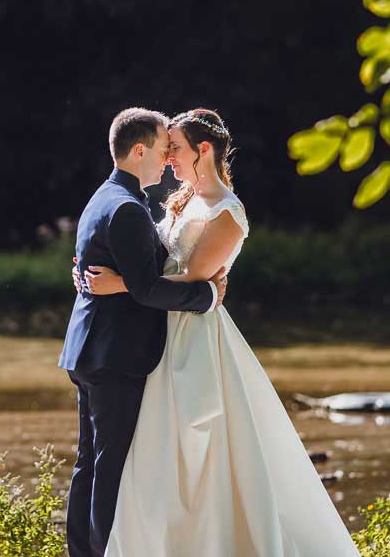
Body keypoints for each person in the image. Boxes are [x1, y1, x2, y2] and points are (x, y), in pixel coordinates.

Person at [78, 108, 360, 557]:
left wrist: (119, 284)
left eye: (175, 150)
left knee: (201, 453)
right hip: (156, 333)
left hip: (193, 338)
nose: (168, 159)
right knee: (149, 454)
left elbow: (195, 278)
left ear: (203, 150)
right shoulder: (182, 200)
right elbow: (151, 261)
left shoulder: (228, 213)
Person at [59, 107, 229, 557]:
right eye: (162, 149)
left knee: (89, 464)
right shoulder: (129, 209)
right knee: (110, 467)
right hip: (116, 356)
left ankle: (83, 552)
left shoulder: (105, 197)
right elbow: (150, 290)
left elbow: (115, 271)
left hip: (89, 350)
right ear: (139, 151)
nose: (167, 159)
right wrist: (208, 296)